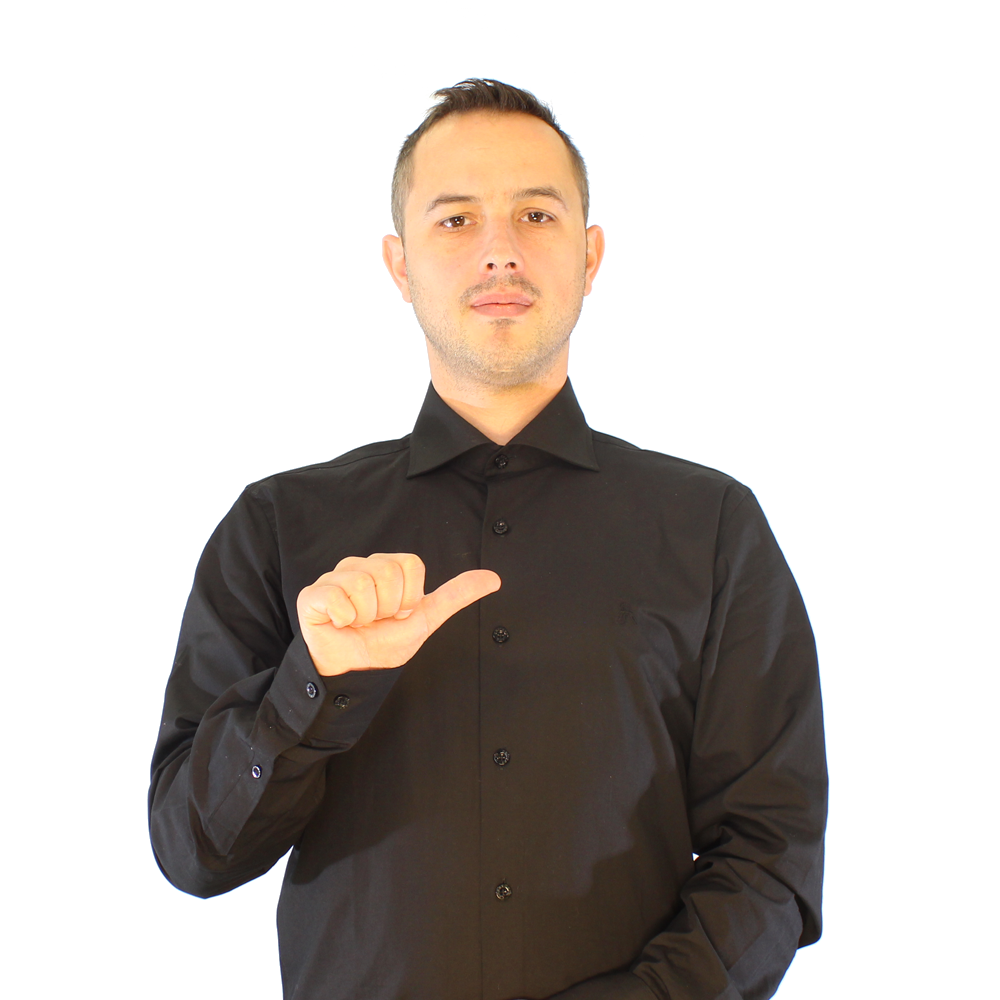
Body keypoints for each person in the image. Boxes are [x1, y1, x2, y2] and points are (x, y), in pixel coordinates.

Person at [148, 78, 827, 1000]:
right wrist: (311, 688)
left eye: (536, 215)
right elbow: (193, 851)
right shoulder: (277, 526)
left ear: (590, 256)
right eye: (456, 220)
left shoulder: (713, 528)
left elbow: (773, 860)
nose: (500, 250)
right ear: (399, 266)